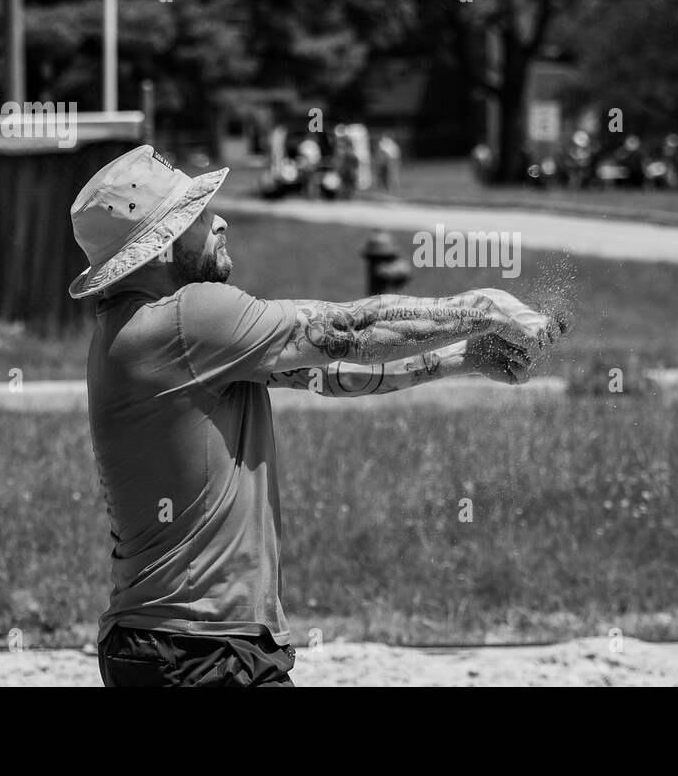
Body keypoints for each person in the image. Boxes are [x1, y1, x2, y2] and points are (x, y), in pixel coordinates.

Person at [68, 145, 569, 687]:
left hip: (165, 645)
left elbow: (323, 370)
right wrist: (484, 308)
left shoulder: (137, 331)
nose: (220, 220)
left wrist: (463, 358)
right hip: (197, 649)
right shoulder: (189, 320)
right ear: (160, 244)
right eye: (198, 215)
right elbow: (348, 331)